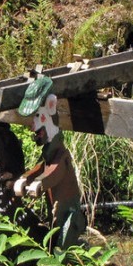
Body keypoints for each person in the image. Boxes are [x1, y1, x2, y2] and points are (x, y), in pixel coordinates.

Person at [13, 76, 86, 250]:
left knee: (63, 243)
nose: (33, 125)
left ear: (50, 108)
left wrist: (40, 183)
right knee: (53, 234)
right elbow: (42, 167)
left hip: (70, 213)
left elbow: (55, 172)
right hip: (56, 211)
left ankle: (64, 264)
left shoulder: (61, 154)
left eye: (39, 116)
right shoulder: (49, 152)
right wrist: (25, 178)